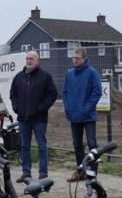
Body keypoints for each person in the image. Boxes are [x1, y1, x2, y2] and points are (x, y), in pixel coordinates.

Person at [9, 51, 58, 182]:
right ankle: (26, 172)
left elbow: (53, 94)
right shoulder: (19, 77)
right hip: (23, 119)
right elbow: (13, 94)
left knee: (42, 146)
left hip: (39, 119)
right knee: (25, 146)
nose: (29, 61)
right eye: (27, 58)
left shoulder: (45, 77)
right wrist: (16, 107)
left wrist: (41, 108)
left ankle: (43, 173)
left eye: (31, 59)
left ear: (37, 60)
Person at [63, 48, 101, 182]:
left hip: (88, 115)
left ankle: (93, 172)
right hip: (74, 115)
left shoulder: (92, 73)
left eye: (77, 58)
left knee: (91, 143)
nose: (75, 60)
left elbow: (97, 92)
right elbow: (65, 92)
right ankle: (80, 171)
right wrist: (67, 107)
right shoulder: (70, 74)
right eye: (73, 58)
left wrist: (87, 108)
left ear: (84, 58)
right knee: (77, 144)